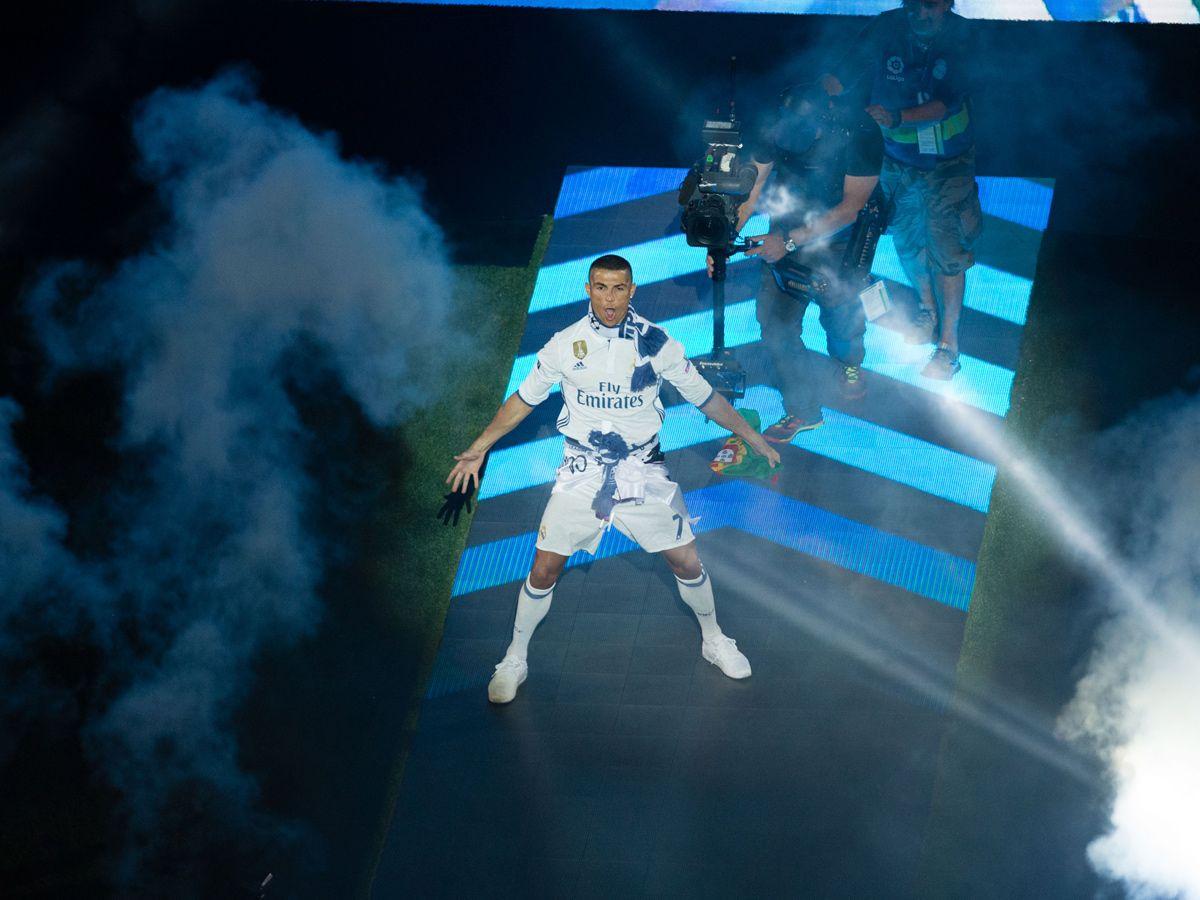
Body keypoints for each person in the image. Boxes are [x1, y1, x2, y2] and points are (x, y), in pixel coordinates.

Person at [447, 254, 781, 704]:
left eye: (618, 288)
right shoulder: (564, 345)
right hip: (582, 472)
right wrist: (480, 446)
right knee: (544, 567)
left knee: (686, 561)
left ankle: (714, 639)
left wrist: (749, 435)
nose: (609, 298)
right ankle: (514, 657)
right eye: (600, 288)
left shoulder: (657, 343)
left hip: (642, 471)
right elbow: (523, 400)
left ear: (632, 291)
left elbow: (704, 396)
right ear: (588, 290)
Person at [823, 0, 983, 379]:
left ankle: (949, 346)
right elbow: (842, 72)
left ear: (947, 4)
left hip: (948, 162)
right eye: (912, 6)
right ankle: (926, 313)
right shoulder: (886, 26)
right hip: (896, 159)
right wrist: (828, 92)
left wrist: (896, 117)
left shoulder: (964, 37)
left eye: (928, 7)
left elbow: (946, 103)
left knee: (947, 251)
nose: (919, 15)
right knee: (909, 243)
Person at [722, 84, 883, 445]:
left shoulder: (859, 132)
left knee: (840, 320)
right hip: (786, 232)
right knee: (775, 325)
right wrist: (725, 236)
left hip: (841, 239)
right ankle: (804, 409)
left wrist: (790, 241)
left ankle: (850, 362)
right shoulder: (775, 126)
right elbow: (753, 188)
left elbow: (851, 206)